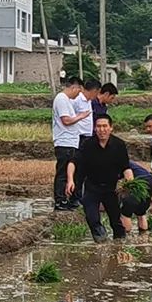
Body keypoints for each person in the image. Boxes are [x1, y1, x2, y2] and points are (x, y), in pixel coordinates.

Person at [66, 114, 132, 242]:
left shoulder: (119, 145)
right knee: (92, 218)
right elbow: (73, 162)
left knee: (116, 222)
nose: (102, 130)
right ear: (95, 129)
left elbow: (126, 167)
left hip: (111, 189)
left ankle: (119, 247)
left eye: (105, 126)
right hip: (92, 187)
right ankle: (101, 243)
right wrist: (70, 180)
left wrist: (130, 183)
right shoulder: (87, 144)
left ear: (111, 128)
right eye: (98, 126)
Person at [51, 76, 90, 210]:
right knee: (62, 173)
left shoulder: (66, 100)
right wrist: (81, 116)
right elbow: (66, 120)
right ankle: (60, 201)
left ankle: (65, 200)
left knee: (69, 172)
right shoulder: (61, 99)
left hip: (70, 142)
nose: (78, 94)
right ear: (74, 87)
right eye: (78, 91)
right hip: (64, 142)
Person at [71, 78, 100, 199]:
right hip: (79, 138)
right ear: (93, 91)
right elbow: (71, 117)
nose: (97, 95)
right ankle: (74, 197)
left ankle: (82, 196)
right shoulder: (77, 100)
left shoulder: (88, 101)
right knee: (78, 168)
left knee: (85, 169)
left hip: (88, 138)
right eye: (97, 92)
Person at [120, 160, 152, 233]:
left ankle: (125, 237)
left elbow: (129, 179)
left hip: (137, 183)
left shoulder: (119, 163)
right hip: (150, 181)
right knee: (141, 212)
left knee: (126, 212)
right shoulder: (129, 162)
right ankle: (143, 237)